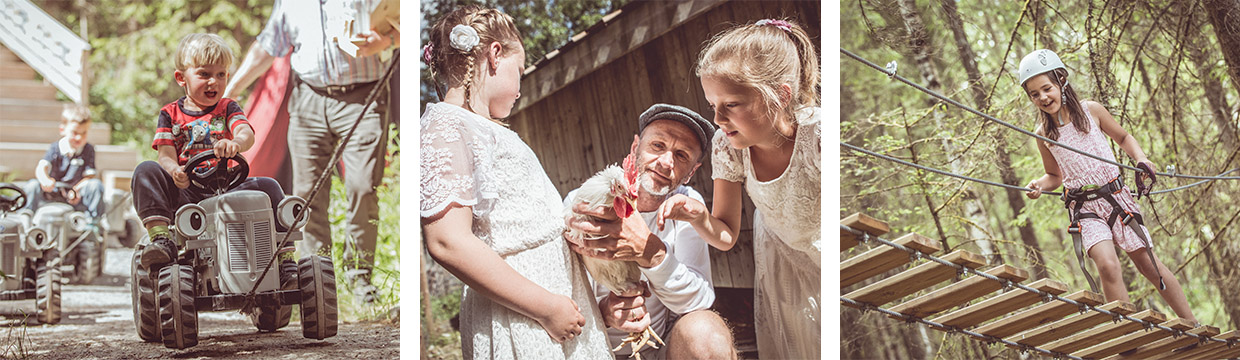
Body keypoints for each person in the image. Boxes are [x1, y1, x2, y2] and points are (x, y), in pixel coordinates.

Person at [419, 5, 611, 359]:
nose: (520, 85)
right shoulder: (446, 126)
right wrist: (546, 307)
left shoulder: (483, 127)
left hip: (556, 298)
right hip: (521, 313)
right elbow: (448, 240)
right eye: (520, 70)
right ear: (495, 55)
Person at [656, 19, 821, 359]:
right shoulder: (727, 145)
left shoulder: (818, 135)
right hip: (782, 256)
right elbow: (726, 236)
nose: (717, 117)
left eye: (730, 104)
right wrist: (700, 218)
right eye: (711, 105)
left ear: (779, 94)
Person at [223, 0, 396, 304]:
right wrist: (230, 92)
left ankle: (359, 280)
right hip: (308, 99)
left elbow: (406, 23)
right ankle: (319, 280)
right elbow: (268, 46)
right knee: (306, 196)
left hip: (363, 96)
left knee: (361, 185)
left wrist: (388, 41)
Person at [1019, 49, 1198, 324]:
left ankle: (1190, 323)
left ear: (1062, 81)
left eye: (1047, 88)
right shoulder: (1044, 134)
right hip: (1085, 208)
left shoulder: (1091, 111)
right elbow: (1053, 175)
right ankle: (1126, 333)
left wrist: (1141, 159)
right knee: (1107, 264)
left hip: (1116, 198)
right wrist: (1039, 185)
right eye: (1034, 94)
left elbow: (1123, 137)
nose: (1042, 97)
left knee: (1148, 264)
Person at [564, 104, 736, 360]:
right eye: (657, 145)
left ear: (691, 172)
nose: (666, 162)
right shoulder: (582, 205)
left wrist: (652, 253)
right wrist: (604, 313)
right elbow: (560, 297)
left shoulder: (687, 206)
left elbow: (699, 300)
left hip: (661, 345)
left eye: (681, 155)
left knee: (706, 333)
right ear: (635, 149)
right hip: (594, 346)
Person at [133, 33, 287, 269]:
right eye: (204, 74)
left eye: (221, 74)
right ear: (181, 78)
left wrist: (236, 143)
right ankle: (162, 239)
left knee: (269, 186)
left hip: (227, 186)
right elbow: (165, 154)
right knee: (146, 170)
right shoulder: (170, 113)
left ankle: (283, 254)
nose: (213, 82)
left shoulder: (228, 108)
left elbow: (246, 133)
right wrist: (175, 171)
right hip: (187, 192)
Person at [21, 104, 106, 220]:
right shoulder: (56, 148)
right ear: (62, 130)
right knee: (32, 185)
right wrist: (45, 180)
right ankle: (25, 219)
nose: (79, 138)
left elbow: (89, 176)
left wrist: (76, 190)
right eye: (75, 133)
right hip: (52, 192)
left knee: (96, 185)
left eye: (84, 133)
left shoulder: (88, 150)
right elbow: (42, 167)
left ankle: (93, 224)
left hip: (75, 196)